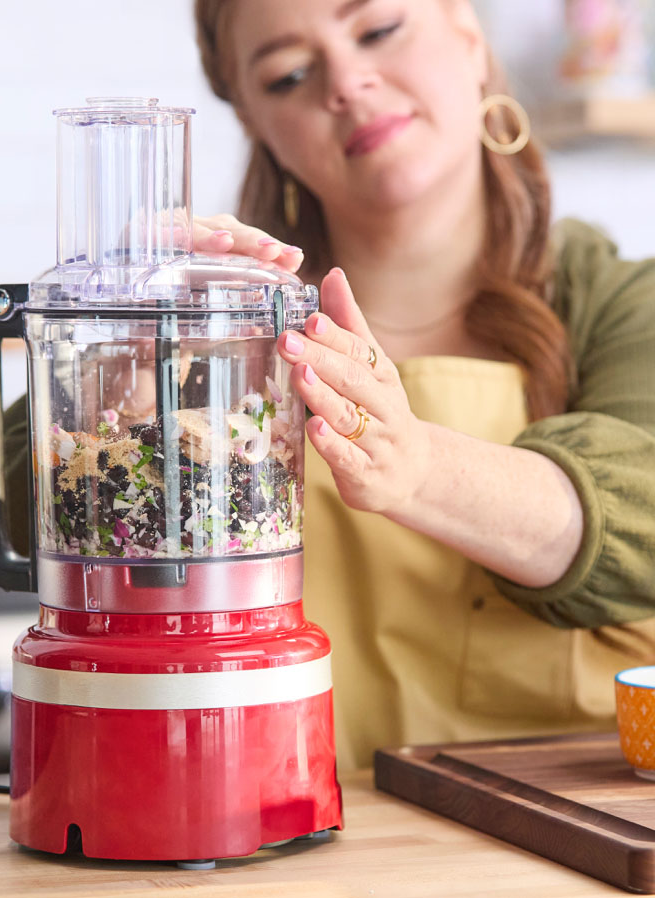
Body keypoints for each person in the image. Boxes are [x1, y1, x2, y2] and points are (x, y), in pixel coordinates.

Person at [188, 0, 655, 770]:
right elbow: (14, 486)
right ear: (257, 126)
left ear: (470, 37)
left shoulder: (615, 303)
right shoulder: (226, 334)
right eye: (290, 74)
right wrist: (141, 341)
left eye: (377, 30)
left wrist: (418, 468)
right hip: (279, 853)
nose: (345, 81)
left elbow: (642, 509)